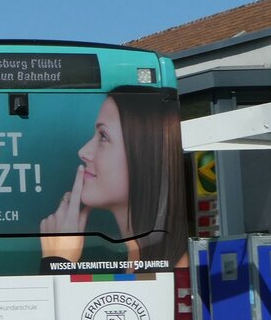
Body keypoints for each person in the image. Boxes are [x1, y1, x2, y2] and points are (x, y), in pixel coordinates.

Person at [40, 86, 188, 270]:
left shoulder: (178, 266)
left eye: (103, 136)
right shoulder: (133, 256)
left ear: (144, 154)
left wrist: (57, 261)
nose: (83, 152)